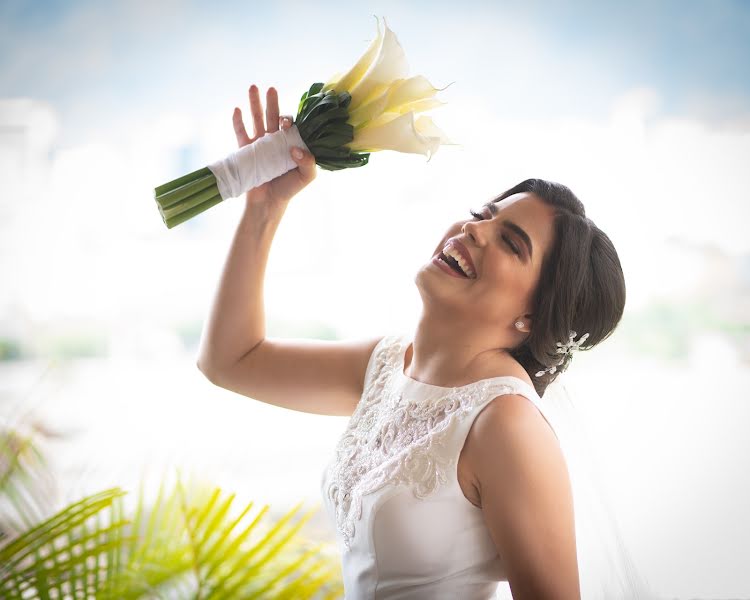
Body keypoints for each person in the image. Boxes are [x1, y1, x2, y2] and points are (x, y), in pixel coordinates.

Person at [196, 84, 654, 599]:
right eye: (484, 215)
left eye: (510, 242)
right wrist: (263, 206)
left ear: (532, 315)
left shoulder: (506, 425)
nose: (474, 230)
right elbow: (230, 360)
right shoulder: (388, 364)